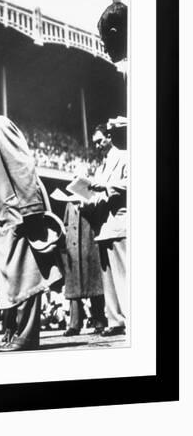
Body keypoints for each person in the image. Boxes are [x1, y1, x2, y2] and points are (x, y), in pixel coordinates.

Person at [0, 97, 63, 351]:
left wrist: (31, 211)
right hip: (2, 220)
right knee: (15, 279)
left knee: (27, 276)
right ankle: (18, 334)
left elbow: (22, 165)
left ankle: (27, 336)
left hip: (17, 216)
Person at [85, 124, 128, 336]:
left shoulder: (125, 156)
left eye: (100, 141)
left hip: (118, 221)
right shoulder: (100, 167)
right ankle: (115, 321)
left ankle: (131, 318)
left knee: (123, 276)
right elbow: (97, 193)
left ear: (109, 137)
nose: (98, 146)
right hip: (103, 225)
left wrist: (106, 187)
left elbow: (132, 182)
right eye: (95, 143)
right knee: (108, 279)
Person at [60, 199, 107, 336]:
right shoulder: (69, 203)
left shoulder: (92, 198)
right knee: (73, 289)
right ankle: (74, 324)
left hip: (89, 245)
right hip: (72, 249)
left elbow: (99, 217)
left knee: (94, 284)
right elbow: (66, 223)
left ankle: (99, 321)